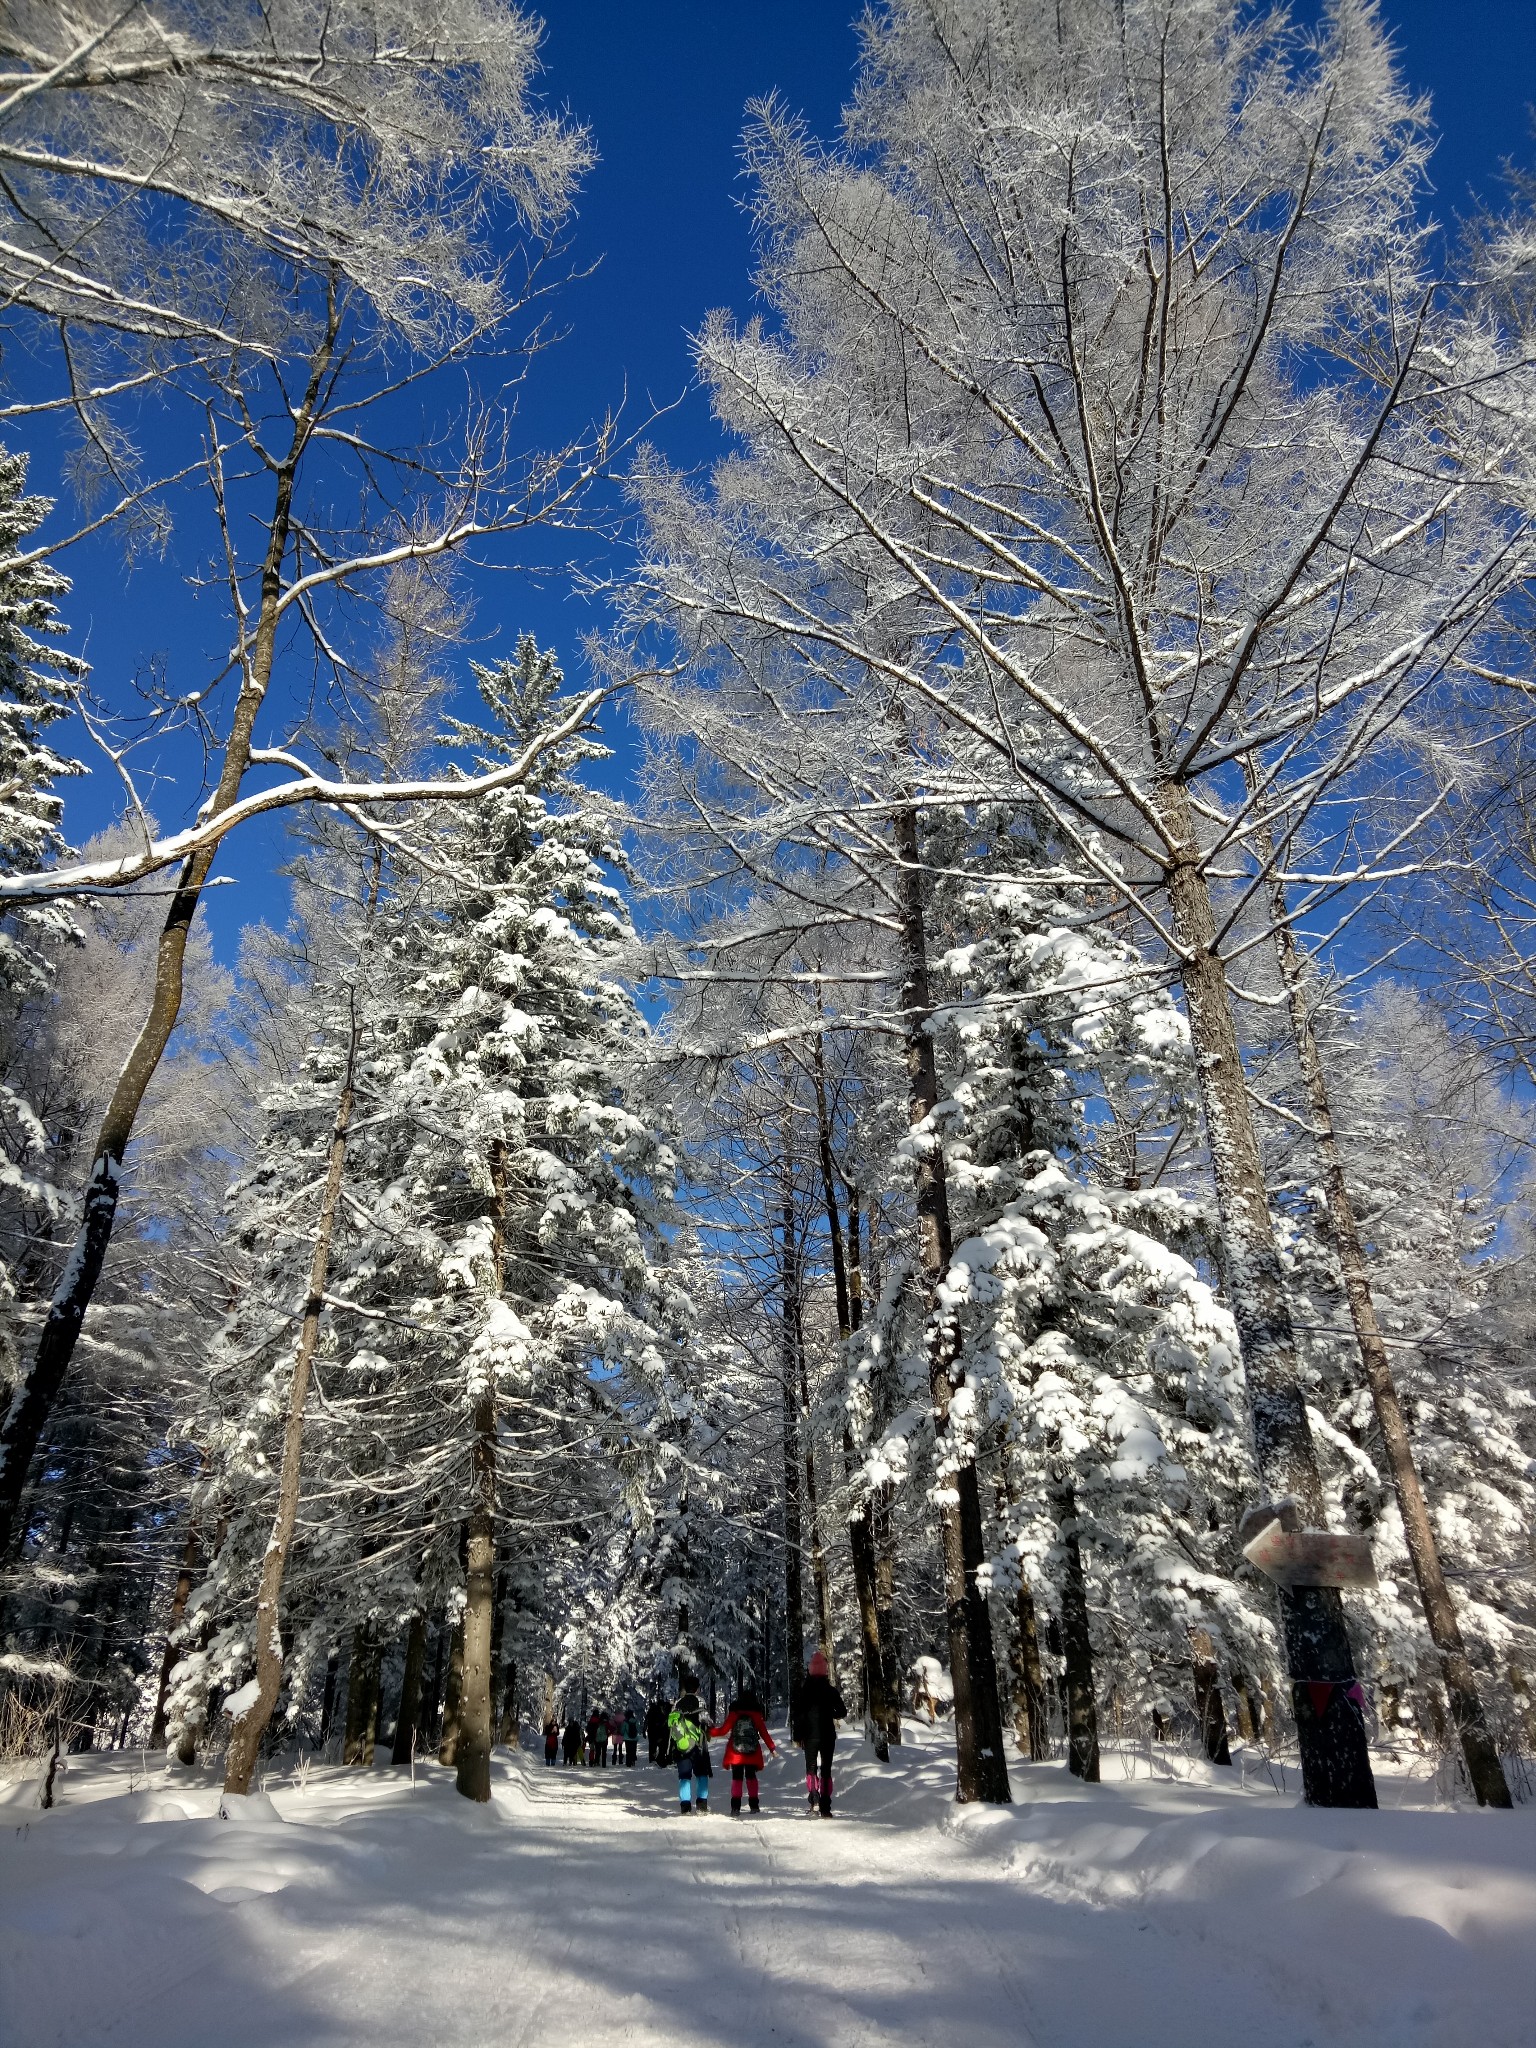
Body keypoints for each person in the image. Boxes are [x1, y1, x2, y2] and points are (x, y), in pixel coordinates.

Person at [711, 1688, 777, 1815]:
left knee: (737, 1778)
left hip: (735, 1752)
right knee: (751, 1777)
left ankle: (735, 1807)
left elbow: (723, 1731)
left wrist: (709, 1732)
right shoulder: (756, 1715)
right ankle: (754, 1805)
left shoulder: (735, 1713)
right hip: (752, 1751)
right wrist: (772, 1748)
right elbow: (764, 1733)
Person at [801, 1650, 846, 1817]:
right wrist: (830, 1714)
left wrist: (799, 1736)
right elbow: (842, 1712)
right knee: (826, 1769)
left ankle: (814, 1800)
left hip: (810, 1735)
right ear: (825, 1670)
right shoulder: (831, 1691)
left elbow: (798, 1716)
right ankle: (826, 1807)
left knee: (811, 1768)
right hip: (828, 1735)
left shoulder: (805, 1691)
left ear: (811, 1670)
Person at [667, 1677, 712, 1813]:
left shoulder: (678, 1703)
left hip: (682, 1745)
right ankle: (701, 1805)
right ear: (697, 1688)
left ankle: (685, 1806)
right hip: (698, 1745)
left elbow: (672, 1726)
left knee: (684, 1776)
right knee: (701, 1774)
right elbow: (706, 1721)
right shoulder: (701, 1701)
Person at [645, 1696, 669, 1765]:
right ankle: (660, 1759)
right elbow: (661, 1724)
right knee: (661, 1746)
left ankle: (652, 1759)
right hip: (659, 1732)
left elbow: (646, 1721)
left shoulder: (651, 1711)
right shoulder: (660, 1713)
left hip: (651, 1732)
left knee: (652, 1746)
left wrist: (644, 1730)